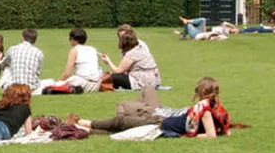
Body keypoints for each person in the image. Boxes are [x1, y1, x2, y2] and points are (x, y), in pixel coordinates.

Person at [77, 77, 232, 138]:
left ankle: (88, 124)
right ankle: (87, 129)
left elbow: (211, 134)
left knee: (122, 121)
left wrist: (197, 135)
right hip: (161, 120)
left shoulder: (205, 109)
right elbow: (225, 130)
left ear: (202, 92)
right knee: (124, 126)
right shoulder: (215, 107)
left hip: (158, 123)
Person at [99, 24, 160, 90]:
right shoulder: (140, 45)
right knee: (114, 76)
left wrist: (108, 61)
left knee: (113, 77)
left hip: (141, 80)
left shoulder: (132, 53)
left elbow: (118, 71)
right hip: (153, 79)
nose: (122, 39)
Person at [57, 27, 103, 93]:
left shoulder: (74, 50)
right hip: (96, 85)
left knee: (56, 85)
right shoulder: (92, 49)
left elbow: (67, 73)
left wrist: (59, 82)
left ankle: (73, 88)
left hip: (81, 81)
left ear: (72, 39)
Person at [3, 28, 45, 93]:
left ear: (22, 38)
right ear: (35, 40)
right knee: (50, 81)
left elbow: (3, 63)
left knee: (6, 68)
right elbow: (37, 72)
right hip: (31, 88)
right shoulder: (39, 52)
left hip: (14, 87)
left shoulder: (13, 49)